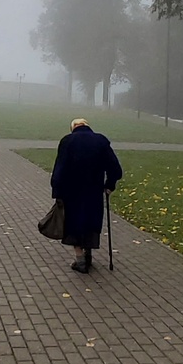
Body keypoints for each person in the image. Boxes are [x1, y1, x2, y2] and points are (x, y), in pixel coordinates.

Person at [50, 117, 123, 274]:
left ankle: (80, 259)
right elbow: (115, 168)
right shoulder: (101, 141)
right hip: (93, 191)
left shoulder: (67, 141)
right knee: (90, 220)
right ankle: (88, 253)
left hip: (72, 191)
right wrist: (110, 185)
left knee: (74, 222)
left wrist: (57, 191)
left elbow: (60, 168)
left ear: (73, 128)